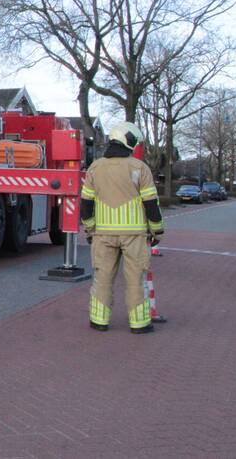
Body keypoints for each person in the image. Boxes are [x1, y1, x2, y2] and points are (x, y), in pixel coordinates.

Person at [80, 121, 164, 334]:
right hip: (134, 235)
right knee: (136, 279)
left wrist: (90, 229)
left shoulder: (95, 168)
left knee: (102, 278)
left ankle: (99, 321)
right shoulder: (139, 168)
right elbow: (151, 203)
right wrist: (157, 230)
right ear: (129, 142)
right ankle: (139, 324)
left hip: (103, 234)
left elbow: (86, 203)